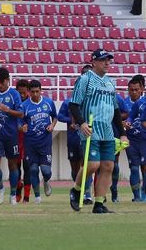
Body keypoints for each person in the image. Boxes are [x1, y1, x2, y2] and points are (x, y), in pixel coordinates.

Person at [68, 49, 128, 214]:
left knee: (108, 166)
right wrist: (82, 123)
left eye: (108, 60)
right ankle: (76, 189)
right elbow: (73, 104)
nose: (107, 63)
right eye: (103, 60)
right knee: (93, 165)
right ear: (94, 62)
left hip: (107, 130)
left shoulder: (110, 82)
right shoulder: (85, 79)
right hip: (91, 129)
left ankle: (99, 203)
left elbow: (115, 110)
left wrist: (122, 132)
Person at [0, 67, 24, 205]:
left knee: (12, 165)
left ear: (8, 80)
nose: (0, 85)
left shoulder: (14, 94)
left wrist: (7, 110)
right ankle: (1, 188)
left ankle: (13, 194)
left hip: (11, 135)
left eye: (2, 82)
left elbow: (21, 114)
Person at [56, 64, 93, 205]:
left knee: (87, 165)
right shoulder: (69, 101)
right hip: (72, 138)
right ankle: (78, 191)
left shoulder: (92, 100)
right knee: (75, 167)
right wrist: (69, 122)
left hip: (87, 137)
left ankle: (87, 193)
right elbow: (60, 116)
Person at [19, 80, 57, 204]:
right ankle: (37, 197)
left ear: (41, 90)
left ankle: (46, 181)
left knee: (46, 172)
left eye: (37, 91)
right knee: (33, 170)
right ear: (29, 92)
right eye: (33, 92)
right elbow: (19, 121)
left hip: (45, 143)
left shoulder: (48, 102)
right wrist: (22, 126)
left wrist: (52, 125)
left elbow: (55, 117)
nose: (35, 94)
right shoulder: (25, 106)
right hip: (30, 143)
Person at [123, 74, 146, 202]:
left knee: (145, 167)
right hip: (131, 140)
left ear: (142, 89)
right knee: (133, 167)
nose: (134, 92)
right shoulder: (123, 102)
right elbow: (117, 118)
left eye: (136, 90)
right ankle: (136, 196)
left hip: (145, 140)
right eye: (131, 90)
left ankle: (145, 194)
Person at [14, 79, 31, 203]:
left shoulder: (32, 104)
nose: (22, 95)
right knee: (16, 168)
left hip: (29, 141)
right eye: (20, 93)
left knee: (28, 168)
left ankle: (26, 196)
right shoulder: (14, 105)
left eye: (24, 93)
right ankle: (18, 189)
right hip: (15, 140)